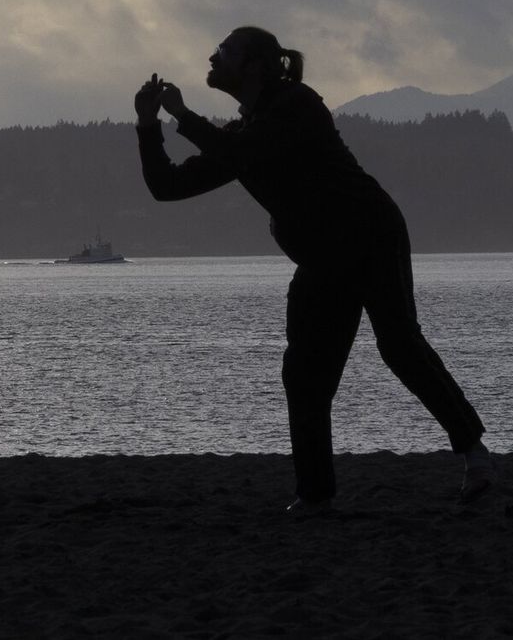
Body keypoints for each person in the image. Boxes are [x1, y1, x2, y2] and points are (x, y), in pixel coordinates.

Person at [134, 27, 493, 514]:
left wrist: (180, 114)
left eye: (223, 52)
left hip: (370, 235)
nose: (212, 59)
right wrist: (147, 125)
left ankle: (474, 451)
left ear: (255, 64)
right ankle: (314, 494)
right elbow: (168, 187)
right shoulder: (242, 134)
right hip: (321, 258)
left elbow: (242, 153)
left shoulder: (296, 106)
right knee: (304, 374)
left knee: (401, 347)